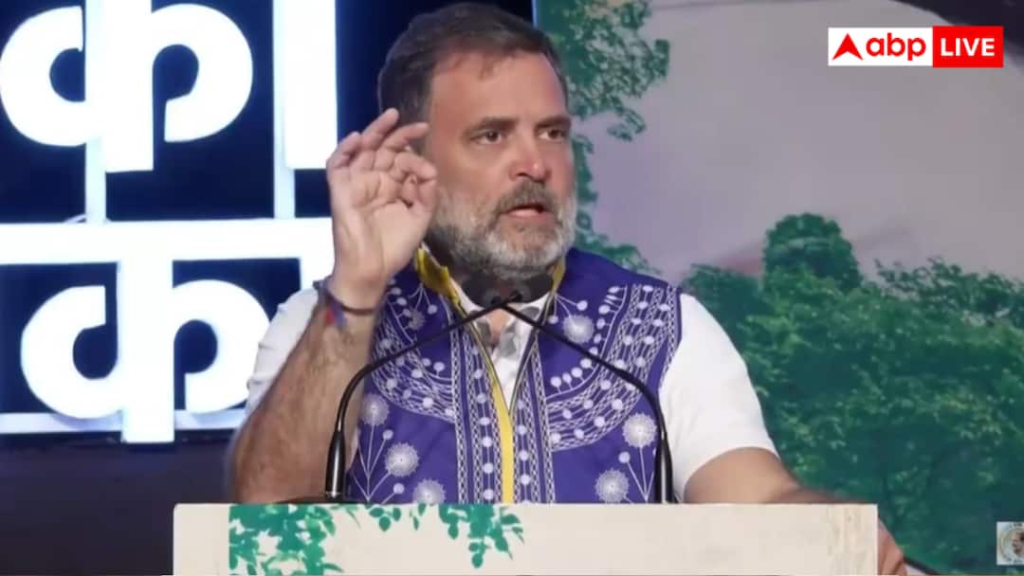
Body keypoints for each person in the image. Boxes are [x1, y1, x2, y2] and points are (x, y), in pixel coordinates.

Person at [227, 3, 905, 574]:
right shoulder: (321, 323)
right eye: (491, 135)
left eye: (552, 133)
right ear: (412, 161)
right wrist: (357, 289)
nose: (535, 163)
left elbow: (757, 502)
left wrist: (834, 530)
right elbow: (262, 521)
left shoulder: (662, 328)